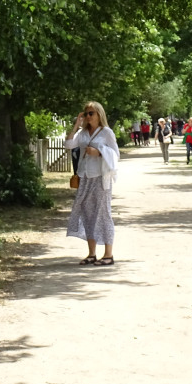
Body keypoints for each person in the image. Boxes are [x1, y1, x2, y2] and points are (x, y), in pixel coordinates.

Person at [65, 101, 120, 266]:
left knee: (103, 214)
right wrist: (76, 125)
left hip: (101, 178)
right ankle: (92, 253)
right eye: (86, 113)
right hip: (85, 177)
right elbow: (68, 145)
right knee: (87, 214)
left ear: (99, 114)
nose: (88, 116)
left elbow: (116, 154)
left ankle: (108, 254)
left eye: (91, 113)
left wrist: (99, 152)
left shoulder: (106, 132)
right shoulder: (82, 133)